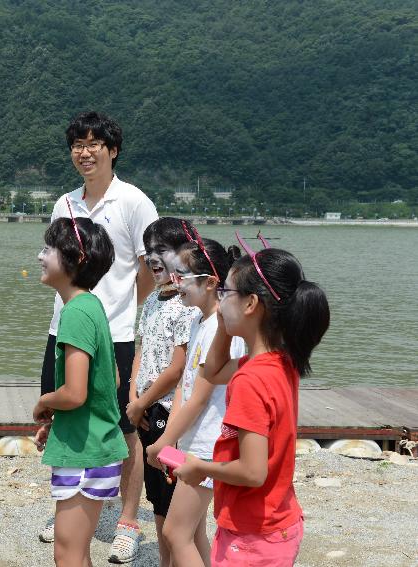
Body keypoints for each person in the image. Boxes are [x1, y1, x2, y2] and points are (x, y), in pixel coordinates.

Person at [38, 111, 158, 565]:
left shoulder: (133, 202)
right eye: (77, 145)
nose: (84, 152)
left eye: (94, 144)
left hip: (116, 334)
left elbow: (149, 267)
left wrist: (122, 310)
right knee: (68, 414)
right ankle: (73, 507)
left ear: (113, 150)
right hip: (63, 328)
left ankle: (127, 520)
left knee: (124, 427)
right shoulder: (65, 203)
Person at [173, 237, 330, 567]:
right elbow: (213, 370)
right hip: (277, 522)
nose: (219, 299)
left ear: (250, 305)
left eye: (225, 292)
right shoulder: (279, 362)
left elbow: (253, 471)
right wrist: (224, 324)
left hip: (253, 536)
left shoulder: (250, 380)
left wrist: (199, 468)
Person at [145, 232, 245, 567]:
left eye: (182, 277)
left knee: (176, 533)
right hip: (191, 442)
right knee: (195, 531)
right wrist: (169, 442)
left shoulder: (220, 328)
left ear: (211, 282)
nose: (175, 284)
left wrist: (162, 443)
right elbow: (183, 391)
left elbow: (200, 399)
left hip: (207, 444)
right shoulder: (197, 322)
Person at [33, 214, 128, 567]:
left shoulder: (75, 313)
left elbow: (74, 393)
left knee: (67, 554)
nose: (40, 256)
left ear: (75, 259)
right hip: (94, 444)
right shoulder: (93, 306)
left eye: (48, 249)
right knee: (78, 551)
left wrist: (44, 401)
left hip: (86, 452)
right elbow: (112, 380)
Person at [125, 218, 199, 567]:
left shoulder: (188, 305)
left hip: (169, 412)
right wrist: (132, 397)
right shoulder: (154, 299)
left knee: (174, 501)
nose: (154, 258)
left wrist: (142, 402)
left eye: (162, 250)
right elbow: (141, 349)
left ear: (186, 255)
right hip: (145, 409)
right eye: (149, 250)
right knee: (157, 498)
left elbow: (177, 368)